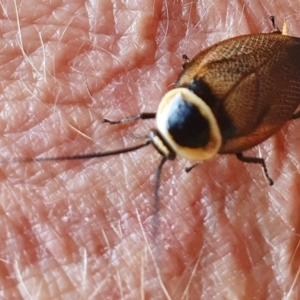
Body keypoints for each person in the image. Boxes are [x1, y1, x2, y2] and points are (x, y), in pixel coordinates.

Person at [1, 1, 300, 298]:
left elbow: (251, 138)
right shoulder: (182, 89)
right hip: (230, 73)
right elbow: (209, 63)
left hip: (242, 112)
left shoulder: (222, 142)